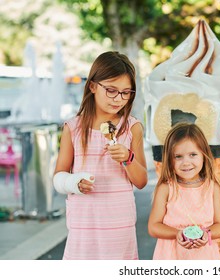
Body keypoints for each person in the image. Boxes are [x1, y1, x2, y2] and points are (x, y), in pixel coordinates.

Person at [53, 51, 148, 260]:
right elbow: (58, 177)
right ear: (93, 86)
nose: (118, 99)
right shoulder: (73, 128)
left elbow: (141, 181)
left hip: (119, 225)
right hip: (83, 225)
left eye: (126, 92)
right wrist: (73, 183)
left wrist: (128, 158)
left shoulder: (132, 127)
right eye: (112, 90)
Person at [148, 123, 220, 260]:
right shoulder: (166, 188)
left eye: (193, 154)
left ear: (204, 155)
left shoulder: (212, 188)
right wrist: (176, 233)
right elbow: (153, 227)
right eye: (178, 156)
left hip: (204, 256)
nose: (186, 162)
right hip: (171, 256)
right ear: (169, 159)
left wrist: (206, 233)